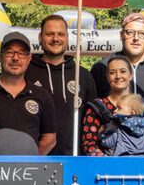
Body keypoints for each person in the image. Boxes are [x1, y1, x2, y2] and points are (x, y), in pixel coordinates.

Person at [0, 31, 57, 156]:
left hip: (29, 173)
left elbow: (50, 139)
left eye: (21, 53)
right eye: (10, 52)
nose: (15, 58)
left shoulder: (42, 96)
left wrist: (30, 162)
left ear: (29, 59)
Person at [24, 14, 97, 155]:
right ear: (40, 38)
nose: (55, 39)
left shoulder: (83, 75)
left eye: (61, 34)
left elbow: (92, 122)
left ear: (67, 38)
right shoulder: (26, 73)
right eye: (50, 34)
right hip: (35, 160)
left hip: (75, 159)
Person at [91, 13, 144, 114]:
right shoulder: (102, 68)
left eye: (141, 33)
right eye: (130, 32)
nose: (136, 38)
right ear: (121, 35)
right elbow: (92, 108)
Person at [81, 54, 144, 157]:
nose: (118, 76)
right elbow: (89, 145)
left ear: (131, 74)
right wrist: (109, 163)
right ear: (107, 77)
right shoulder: (96, 108)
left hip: (142, 169)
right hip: (107, 170)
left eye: (123, 71)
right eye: (112, 72)